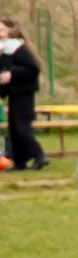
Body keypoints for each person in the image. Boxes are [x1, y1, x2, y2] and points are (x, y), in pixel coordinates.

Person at [0, 19, 42, 173]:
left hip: (24, 94)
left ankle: (39, 155)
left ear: (10, 31)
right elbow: (3, 75)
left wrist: (13, 73)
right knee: (14, 128)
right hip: (14, 94)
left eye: (1, 29)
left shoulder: (20, 49)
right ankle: (20, 161)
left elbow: (33, 69)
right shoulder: (5, 51)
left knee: (21, 127)